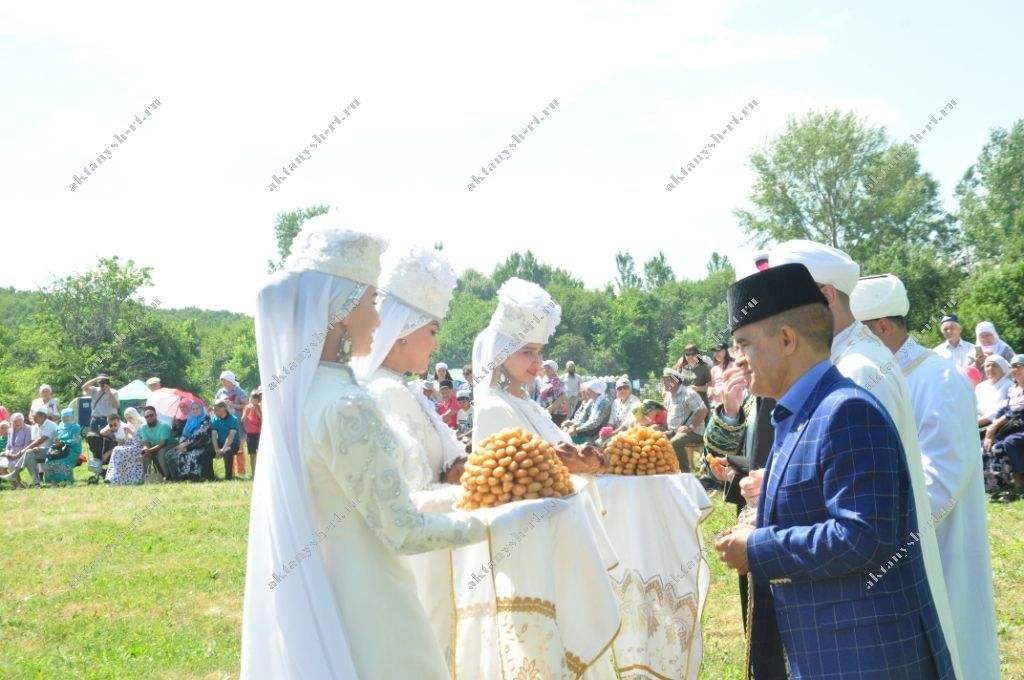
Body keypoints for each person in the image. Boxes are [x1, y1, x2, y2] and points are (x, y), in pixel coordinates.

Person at [241, 215, 487, 679]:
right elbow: (403, 531)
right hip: (376, 602)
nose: (378, 317)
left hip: (332, 591)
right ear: (341, 307)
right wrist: (499, 520)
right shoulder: (347, 403)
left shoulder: (304, 394)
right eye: (372, 300)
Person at [714, 262, 954, 679]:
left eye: (743, 344)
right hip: (831, 650)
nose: (737, 361)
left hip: (865, 658)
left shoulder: (846, 410)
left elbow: (864, 537)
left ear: (787, 339)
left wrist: (758, 547)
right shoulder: (798, 411)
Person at [852, 273, 1000, 679]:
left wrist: (880, 524)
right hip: (903, 547)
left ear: (883, 327)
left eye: (855, 335)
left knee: (956, 646)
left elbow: (943, 478)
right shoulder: (885, 373)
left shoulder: (938, 377)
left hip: (940, 545)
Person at [352, 246, 468, 495]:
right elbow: (409, 494)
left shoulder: (402, 387)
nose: (436, 344)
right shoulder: (387, 390)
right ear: (402, 332)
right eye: (433, 331)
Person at [983, 354, 1024, 501]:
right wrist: (992, 432)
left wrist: (993, 428)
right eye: (1013, 366)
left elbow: (1015, 412)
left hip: (1019, 427)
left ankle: (1019, 480)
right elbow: (1003, 410)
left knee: (1010, 441)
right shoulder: (1013, 389)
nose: (1016, 369)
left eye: (1020, 366)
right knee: (992, 444)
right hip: (1014, 426)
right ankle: (995, 482)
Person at [662, 367, 706, 473]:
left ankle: (685, 473)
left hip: (694, 432)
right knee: (658, 439)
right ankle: (668, 470)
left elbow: (703, 410)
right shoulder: (668, 396)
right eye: (664, 379)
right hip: (674, 431)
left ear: (676, 380)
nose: (665, 382)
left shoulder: (689, 393)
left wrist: (690, 427)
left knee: (675, 442)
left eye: (668, 379)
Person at [174, 401, 214, 481]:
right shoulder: (190, 419)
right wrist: (182, 444)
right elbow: (184, 434)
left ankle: (196, 476)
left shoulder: (205, 419)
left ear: (201, 409)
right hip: (189, 445)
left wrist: (187, 445)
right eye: (193, 409)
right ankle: (185, 476)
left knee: (193, 454)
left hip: (202, 445)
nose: (195, 410)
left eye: (197, 408)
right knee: (180, 454)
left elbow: (200, 434)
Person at [103, 409, 145, 485]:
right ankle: (113, 476)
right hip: (130, 445)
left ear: (134, 415)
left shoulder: (141, 424)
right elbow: (128, 438)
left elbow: (138, 438)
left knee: (118, 450)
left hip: (139, 446)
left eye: (130, 417)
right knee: (117, 449)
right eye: (127, 417)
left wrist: (130, 433)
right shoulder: (128, 424)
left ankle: (114, 477)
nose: (129, 419)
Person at [563, 379, 612, 444]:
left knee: (569, 438)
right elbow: (582, 419)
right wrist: (573, 425)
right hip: (587, 430)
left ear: (596, 391)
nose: (586, 392)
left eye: (589, 390)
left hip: (596, 433)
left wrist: (576, 430)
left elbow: (595, 423)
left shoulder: (605, 404)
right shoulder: (591, 401)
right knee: (565, 431)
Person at [19, 407, 59, 486]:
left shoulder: (50, 425)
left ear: (43, 416)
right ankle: (36, 483)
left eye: (35, 416)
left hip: (52, 451)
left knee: (28, 452)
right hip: (39, 451)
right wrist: (33, 448)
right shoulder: (35, 426)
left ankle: (16, 471)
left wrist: (23, 450)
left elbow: (41, 440)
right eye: (33, 416)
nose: (33, 418)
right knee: (29, 454)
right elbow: (34, 441)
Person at [45, 409, 82, 486]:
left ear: (71, 417)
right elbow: (57, 438)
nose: (65, 419)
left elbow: (76, 440)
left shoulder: (75, 427)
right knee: (49, 460)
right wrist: (56, 441)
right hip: (60, 449)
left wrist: (64, 442)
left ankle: (69, 482)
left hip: (73, 450)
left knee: (64, 461)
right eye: (63, 417)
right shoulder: (60, 426)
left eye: (67, 416)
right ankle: (53, 482)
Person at [140, 405, 176, 482]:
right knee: (144, 454)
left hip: (170, 445)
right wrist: (146, 449)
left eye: (151, 415)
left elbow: (163, 443)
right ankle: (147, 478)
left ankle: (167, 476)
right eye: (146, 417)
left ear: (156, 415)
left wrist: (150, 450)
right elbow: (146, 442)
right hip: (156, 445)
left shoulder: (164, 426)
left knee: (161, 452)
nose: (149, 418)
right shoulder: (143, 427)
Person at [976, 355, 1013, 426]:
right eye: (987, 366)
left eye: (994, 365)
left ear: (1002, 368)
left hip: (996, 425)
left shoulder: (1009, 386)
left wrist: (976, 423)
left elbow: (998, 411)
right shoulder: (980, 386)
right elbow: (974, 407)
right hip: (976, 422)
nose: (990, 369)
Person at [210, 400, 241, 480]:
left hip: (233, 444)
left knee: (227, 452)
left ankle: (228, 477)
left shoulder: (233, 419)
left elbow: (230, 437)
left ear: (223, 409)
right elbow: (213, 436)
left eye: (216, 410)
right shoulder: (214, 420)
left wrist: (222, 450)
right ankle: (209, 476)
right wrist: (217, 449)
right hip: (220, 443)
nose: (214, 412)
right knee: (207, 451)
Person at [0, 414, 32, 487]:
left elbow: (27, 445)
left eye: (20, 421)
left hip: (22, 453)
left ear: (23, 421)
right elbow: (8, 446)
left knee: (12, 465)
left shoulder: (28, 429)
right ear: (12, 422)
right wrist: (7, 452)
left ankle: (18, 485)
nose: (18, 423)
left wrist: (16, 455)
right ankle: (16, 484)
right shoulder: (10, 430)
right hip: (11, 454)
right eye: (15, 421)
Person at [538, 359, 569, 426]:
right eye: (545, 367)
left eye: (548, 368)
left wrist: (550, 409)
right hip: (547, 411)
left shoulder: (556, 381)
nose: (546, 369)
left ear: (553, 369)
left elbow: (563, 397)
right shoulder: (546, 379)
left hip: (556, 413)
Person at [242, 389, 262, 477]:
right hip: (250, 434)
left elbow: (261, 417)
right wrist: (247, 412)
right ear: (250, 398)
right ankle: (254, 473)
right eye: (252, 399)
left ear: (258, 400)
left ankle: (260, 472)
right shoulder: (247, 407)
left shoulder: (260, 407)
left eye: (256, 399)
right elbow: (242, 419)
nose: (254, 401)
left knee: (261, 453)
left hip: (259, 433)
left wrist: (256, 410)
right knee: (252, 454)